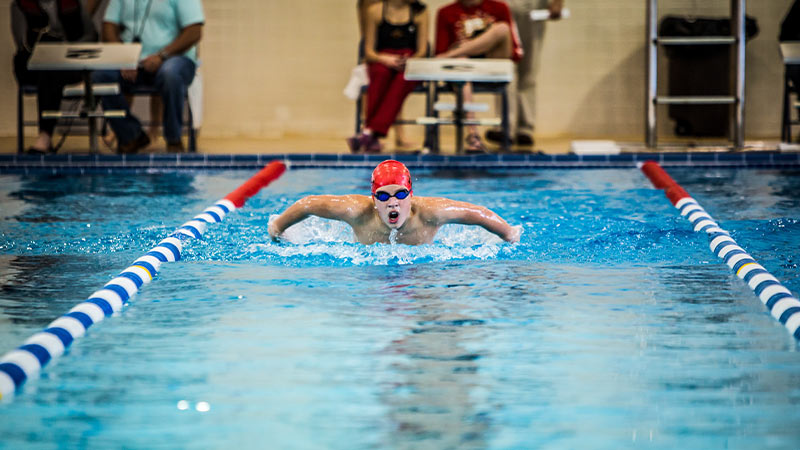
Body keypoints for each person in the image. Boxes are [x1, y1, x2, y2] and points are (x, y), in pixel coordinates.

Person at [268, 160, 521, 245]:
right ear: (373, 198)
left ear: (411, 195)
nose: (393, 203)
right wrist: (277, 227)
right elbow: (309, 204)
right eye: (383, 196)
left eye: (400, 195)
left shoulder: (431, 213)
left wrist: (509, 234)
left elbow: (477, 213)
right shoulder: (356, 211)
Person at [92, 0, 204, 154]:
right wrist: (124, 57)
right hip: (132, 63)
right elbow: (108, 26)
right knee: (101, 75)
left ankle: (173, 139)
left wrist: (162, 56)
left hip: (174, 58)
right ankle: (132, 135)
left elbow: (194, 31)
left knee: (170, 73)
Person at [11, 0, 101, 154]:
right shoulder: (19, 5)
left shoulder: (73, 4)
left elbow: (91, 36)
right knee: (48, 67)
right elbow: (22, 43)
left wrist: (67, 47)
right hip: (32, 65)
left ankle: (44, 136)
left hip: (65, 64)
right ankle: (45, 136)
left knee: (53, 69)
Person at [434, 0, 523, 152]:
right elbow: (439, 50)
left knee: (501, 28)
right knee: (461, 64)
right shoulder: (445, 12)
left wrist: (461, 50)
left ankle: (507, 131)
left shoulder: (499, 7)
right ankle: (473, 136)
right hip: (464, 67)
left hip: (493, 63)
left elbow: (513, 50)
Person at [348, 0, 429, 153]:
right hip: (383, 58)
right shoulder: (374, 11)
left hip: (410, 61)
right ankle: (372, 135)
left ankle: (369, 132)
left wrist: (409, 60)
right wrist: (385, 58)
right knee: (380, 73)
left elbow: (422, 51)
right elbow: (369, 52)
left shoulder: (420, 11)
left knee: (402, 79)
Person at [485, 0, 563, 148]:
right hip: (503, 5)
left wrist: (557, 2)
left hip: (533, 7)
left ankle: (525, 128)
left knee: (528, 71)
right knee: (506, 69)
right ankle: (505, 126)